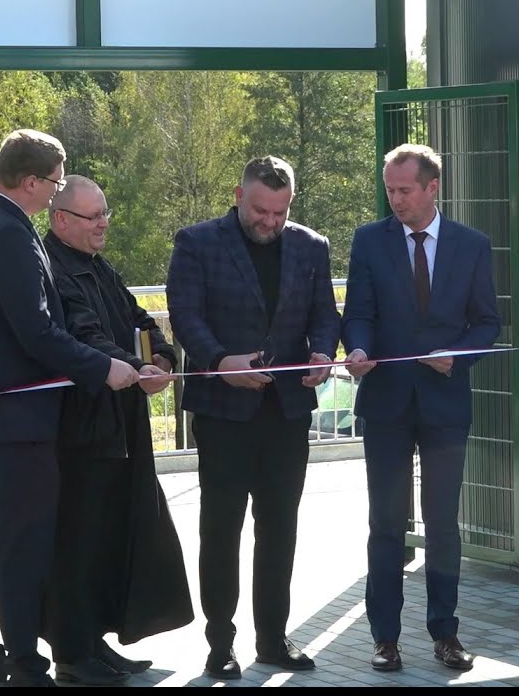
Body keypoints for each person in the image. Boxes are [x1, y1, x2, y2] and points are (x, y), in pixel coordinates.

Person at [0, 130, 142, 687]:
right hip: (19, 424)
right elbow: (36, 330)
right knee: (22, 548)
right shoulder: (10, 233)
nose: (57, 193)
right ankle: (26, 665)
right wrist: (103, 368)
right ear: (30, 182)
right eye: (56, 182)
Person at [166, 155, 340, 680]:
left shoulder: (312, 246)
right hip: (223, 415)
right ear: (239, 195)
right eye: (261, 211)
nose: (270, 222)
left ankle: (272, 638)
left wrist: (321, 354)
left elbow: (325, 314)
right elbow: (184, 315)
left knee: (280, 529)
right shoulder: (197, 242)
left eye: (280, 213)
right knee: (220, 531)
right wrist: (220, 363)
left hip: (286, 413)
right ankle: (221, 643)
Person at [341, 143, 501, 673]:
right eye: (389, 189)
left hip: (444, 404)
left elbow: (487, 324)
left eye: (404, 190)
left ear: (433, 188)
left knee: (443, 525)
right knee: (386, 522)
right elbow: (358, 312)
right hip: (385, 401)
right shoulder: (369, 241)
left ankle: (445, 634)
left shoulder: (472, 246)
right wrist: (357, 349)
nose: (395, 199)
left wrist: (458, 357)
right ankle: (385, 637)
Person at [38, 175, 194, 685]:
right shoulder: (54, 270)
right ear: (61, 220)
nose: (104, 223)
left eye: (106, 213)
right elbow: (84, 334)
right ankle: (72, 650)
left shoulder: (98, 266)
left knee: (113, 537)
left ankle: (96, 641)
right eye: (93, 216)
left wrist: (162, 355)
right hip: (83, 430)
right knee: (81, 541)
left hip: (121, 424)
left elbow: (137, 317)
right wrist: (135, 366)